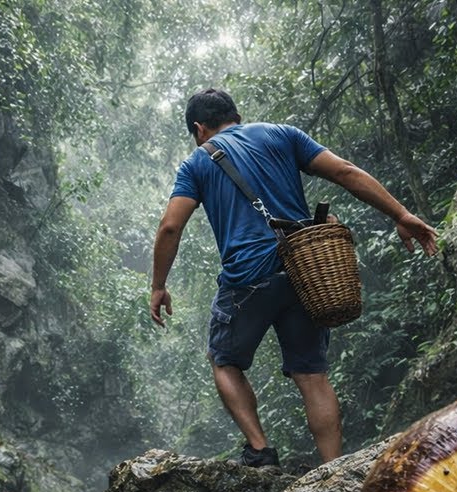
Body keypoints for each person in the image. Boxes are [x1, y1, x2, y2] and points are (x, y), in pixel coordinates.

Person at [149, 88, 437, 467]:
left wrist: (158, 285)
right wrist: (400, 215)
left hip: (246, 278)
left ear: (200, 129)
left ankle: (260, 449)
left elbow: (171, 227)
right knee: (312, 375)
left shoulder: (196, 164)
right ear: (236, 115)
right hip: (303, 271)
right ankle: (332, 470)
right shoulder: (283, 134)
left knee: (224, 360)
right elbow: (346, 173)